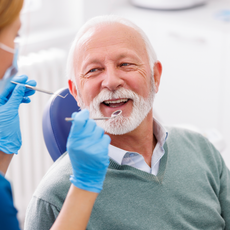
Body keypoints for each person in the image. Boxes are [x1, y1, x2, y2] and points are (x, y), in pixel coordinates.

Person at [24, 15, 230, 230]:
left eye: (125, 64)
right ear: (76, 92)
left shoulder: (202, 150)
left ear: (155, 77)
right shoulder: (54, 200)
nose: (111, 81)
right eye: (94, 70)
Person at [0, 1, 110, 229]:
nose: (111, 81)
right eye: (15, 35)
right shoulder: (49, 197)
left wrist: (2, 153)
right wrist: (84, 185)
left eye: (126, 64)